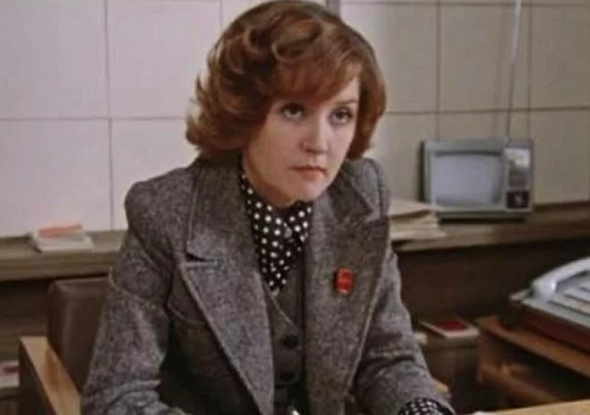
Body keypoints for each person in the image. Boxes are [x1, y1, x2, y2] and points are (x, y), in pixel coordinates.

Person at [82, 1, 455, 415]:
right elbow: (116, 398)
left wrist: (422, 410)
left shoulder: (362, 194)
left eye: (341, 115)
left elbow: (387, 358)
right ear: (243, 113)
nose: (320, 143)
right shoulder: (164, 212)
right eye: (294, 110)